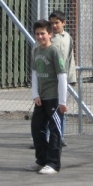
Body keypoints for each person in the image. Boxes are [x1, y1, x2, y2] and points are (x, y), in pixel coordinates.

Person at [26, 19, 67, 175]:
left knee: (55, 130)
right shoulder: (36, 50)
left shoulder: (54, 51)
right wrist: (35, 94)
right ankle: (41, 160)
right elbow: (35, 74)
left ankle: (53, 163)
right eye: (37, 34)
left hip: (53, 98)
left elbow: (62, 76)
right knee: (37, 128)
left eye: (42, 33)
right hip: (41, 98)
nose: (40, 37)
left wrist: (62, 101)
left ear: (50, 34)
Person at [48, 10, 76, 147]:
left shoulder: (68, 38)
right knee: (48, 111)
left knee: (61, 108)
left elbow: (70, 59)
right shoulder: (47, 38)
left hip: (63, 80)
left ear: (63, 23)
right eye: (51, 23)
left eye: (57, 23)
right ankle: (45, 138)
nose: (54, 25)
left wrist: (71, 78)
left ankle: (60, 137)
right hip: (49, 81)